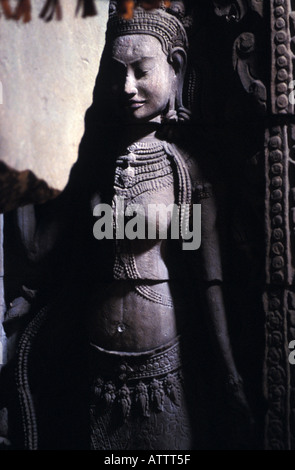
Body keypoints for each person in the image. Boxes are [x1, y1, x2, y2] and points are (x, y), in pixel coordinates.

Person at [0, 0, 253, 450]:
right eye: (116, 73)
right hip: (97, 364)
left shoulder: (185, 170)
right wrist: (20, 169)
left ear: (175, 68)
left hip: (163, 366)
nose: (128, 86)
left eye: (140, 70)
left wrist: (229, 367)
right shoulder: (94, 169)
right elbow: (44, 251)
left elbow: (208, 277)